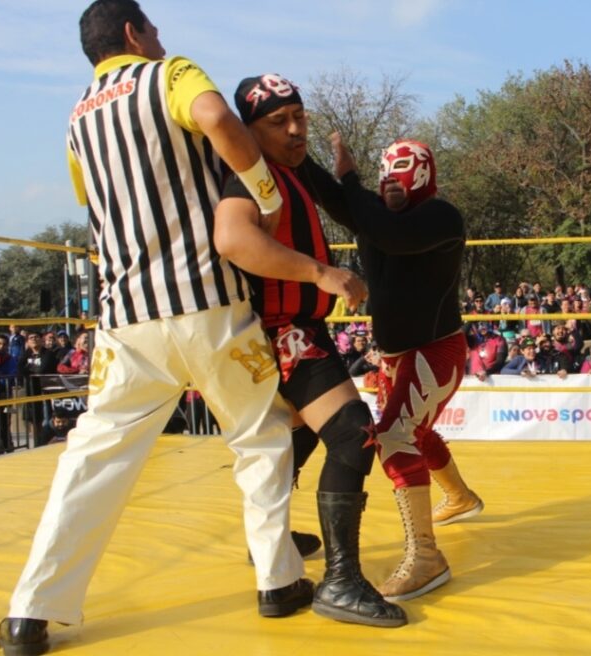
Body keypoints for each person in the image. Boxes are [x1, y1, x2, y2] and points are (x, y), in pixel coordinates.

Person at [0, 3, 357, 652]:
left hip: (126, 319)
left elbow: (94, 205)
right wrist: (264, 190)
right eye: (154, 30)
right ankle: (277, 580)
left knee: (92, 463)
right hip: (208, 303)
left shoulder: (76, 119)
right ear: (133, 34)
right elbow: (216, 117)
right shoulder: (168, 75)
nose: (162, 39)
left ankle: (30, 612)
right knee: (260, 438)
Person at [213, 73, 404, 627]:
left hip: (299, 326)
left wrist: (348, 176)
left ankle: (268, 539)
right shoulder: (249, 174)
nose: (296, 130)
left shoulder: (293, 168)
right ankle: (341, 582)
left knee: (298, 431)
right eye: (279, 122)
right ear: (249, 130)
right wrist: (321, 273)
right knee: (350, 432)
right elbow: (233, 238)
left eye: (300, 117)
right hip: (281, 328)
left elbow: (347, 207)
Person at [329, 133, 483, 602]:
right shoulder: (375, 217)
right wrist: (291, 159)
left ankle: (426, 558)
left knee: (396, 436)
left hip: (434, 351)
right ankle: (461, 498)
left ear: (422, 174)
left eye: (401, 172)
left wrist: (349, 178)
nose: (390, 181)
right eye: (385, 173)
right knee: (415, 432)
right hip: (397, 355)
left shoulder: (439, 216)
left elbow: (389, 232)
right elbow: (345, 204)